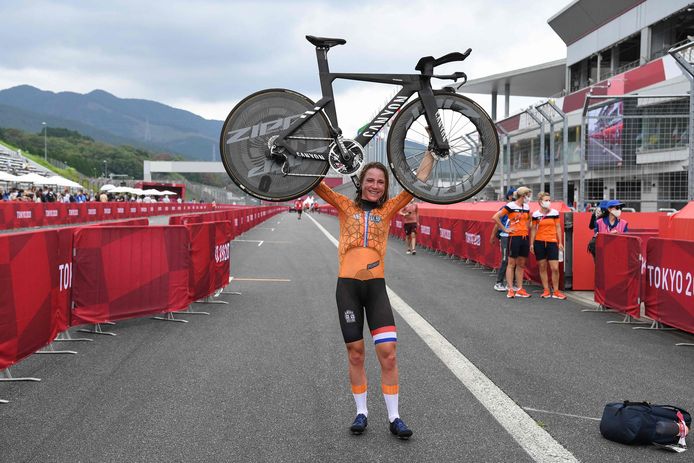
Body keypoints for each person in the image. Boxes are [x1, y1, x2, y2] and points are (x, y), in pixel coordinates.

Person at [313, 155, 433, 439]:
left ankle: (394, 417)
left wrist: (431, 151)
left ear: (385, 186)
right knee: (356, 353)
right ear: (361, 182)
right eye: (370, 180)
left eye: (380, 182)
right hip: (348, 289)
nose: (375, 186)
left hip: (376, 289)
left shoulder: (389, 209)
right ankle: (361, 412)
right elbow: (316, 184)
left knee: (388, 354)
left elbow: (418, 183)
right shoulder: (345, 205)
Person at [492, 186, 532, 298]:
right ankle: (510, 288)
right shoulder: (510, 206)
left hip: (524, 237)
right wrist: (505, 229)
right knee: (511, 263)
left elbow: (528, 219)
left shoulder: (527, 207)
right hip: (514, 237)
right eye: (528, 195)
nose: (529, 198)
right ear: (522, 195)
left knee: (521, 264)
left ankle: (519, 289)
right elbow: (495, 217)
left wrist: (525, 228)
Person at [530, 192, 566, 299]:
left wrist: (560, 242)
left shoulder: (554, 212)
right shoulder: (535, 214)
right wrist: (531, 244)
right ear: (540, 202)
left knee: (555, 268)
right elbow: (533, 229)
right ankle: (546, 290)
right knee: (542, 267)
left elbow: (558, 227)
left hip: (552, 241)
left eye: (549, 200)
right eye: (546, 200)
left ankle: (556, 291)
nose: (548, 202)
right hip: (539, 242)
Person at [489, 187, 516, 291]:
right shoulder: (504, 208)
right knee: (505, 260)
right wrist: (493, 236)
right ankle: (499, 282)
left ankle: (511, 283)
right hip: (505, 237)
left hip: (515, 237)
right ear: (509, 196)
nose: (515, 197)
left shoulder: (519, 208)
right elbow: (497, 223)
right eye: (513, 195)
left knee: (514, 260)